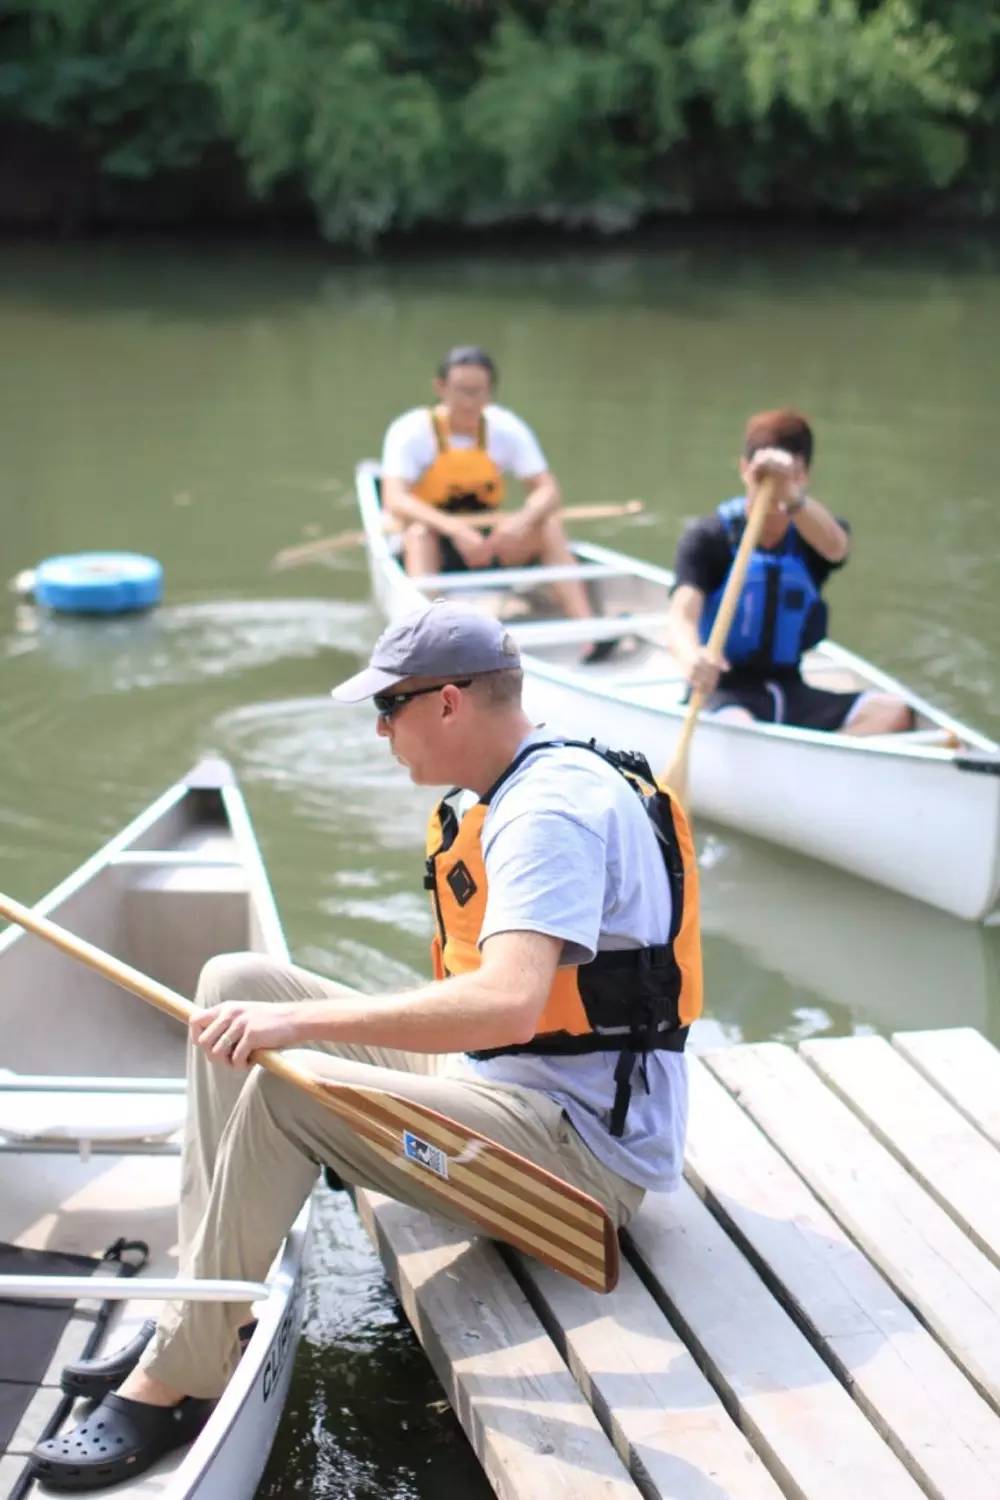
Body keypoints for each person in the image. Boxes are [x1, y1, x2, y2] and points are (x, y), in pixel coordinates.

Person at [32, 602, 702, 1491]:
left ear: (451, 702)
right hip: (501, 1089)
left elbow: (506, 1005)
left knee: (290, 1083)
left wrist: (305, 1026)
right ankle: (193, 1307)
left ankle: (188, 1370)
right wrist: (286, 1016)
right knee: (237, 981)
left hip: (575, 1161)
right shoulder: (514, 781)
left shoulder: (549, 814)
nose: (381, 730)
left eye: (390, 707)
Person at [666, 409, 912, 733]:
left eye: (789, 478)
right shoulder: (710, 537)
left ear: (804, 476)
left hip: (790, 689)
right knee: (740, 729)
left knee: (894, 712)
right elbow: (681, 615)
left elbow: (837, 548)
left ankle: (819, 764)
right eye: (762, 478)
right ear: (744, 470)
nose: (772, 489)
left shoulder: (815, 537)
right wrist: (692, 657)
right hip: (724, 693)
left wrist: (790, 495)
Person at [380, 345, 610, 658]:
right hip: (434, 541)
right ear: (441, 388)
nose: (470, 402)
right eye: (462, 391)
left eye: (479, 392)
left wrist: (520, 522)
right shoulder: (411, 431)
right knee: (420, 533)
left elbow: (547, 490)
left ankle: (588, 631)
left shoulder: (505, 428)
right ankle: (426, 638)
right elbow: (395, 499)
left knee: (549, 526)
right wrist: (455, 530)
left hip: (488, 541)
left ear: (490, 393)